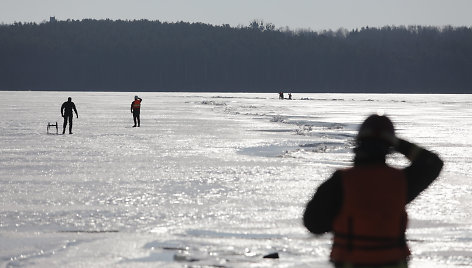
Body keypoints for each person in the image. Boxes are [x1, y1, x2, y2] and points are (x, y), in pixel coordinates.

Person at [303, 114, 443, 268]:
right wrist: (397, 142)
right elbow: (432, 163)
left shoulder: (341, 182)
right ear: (388, 146)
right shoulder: (400, 182)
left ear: (359, 142)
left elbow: (313, 224)